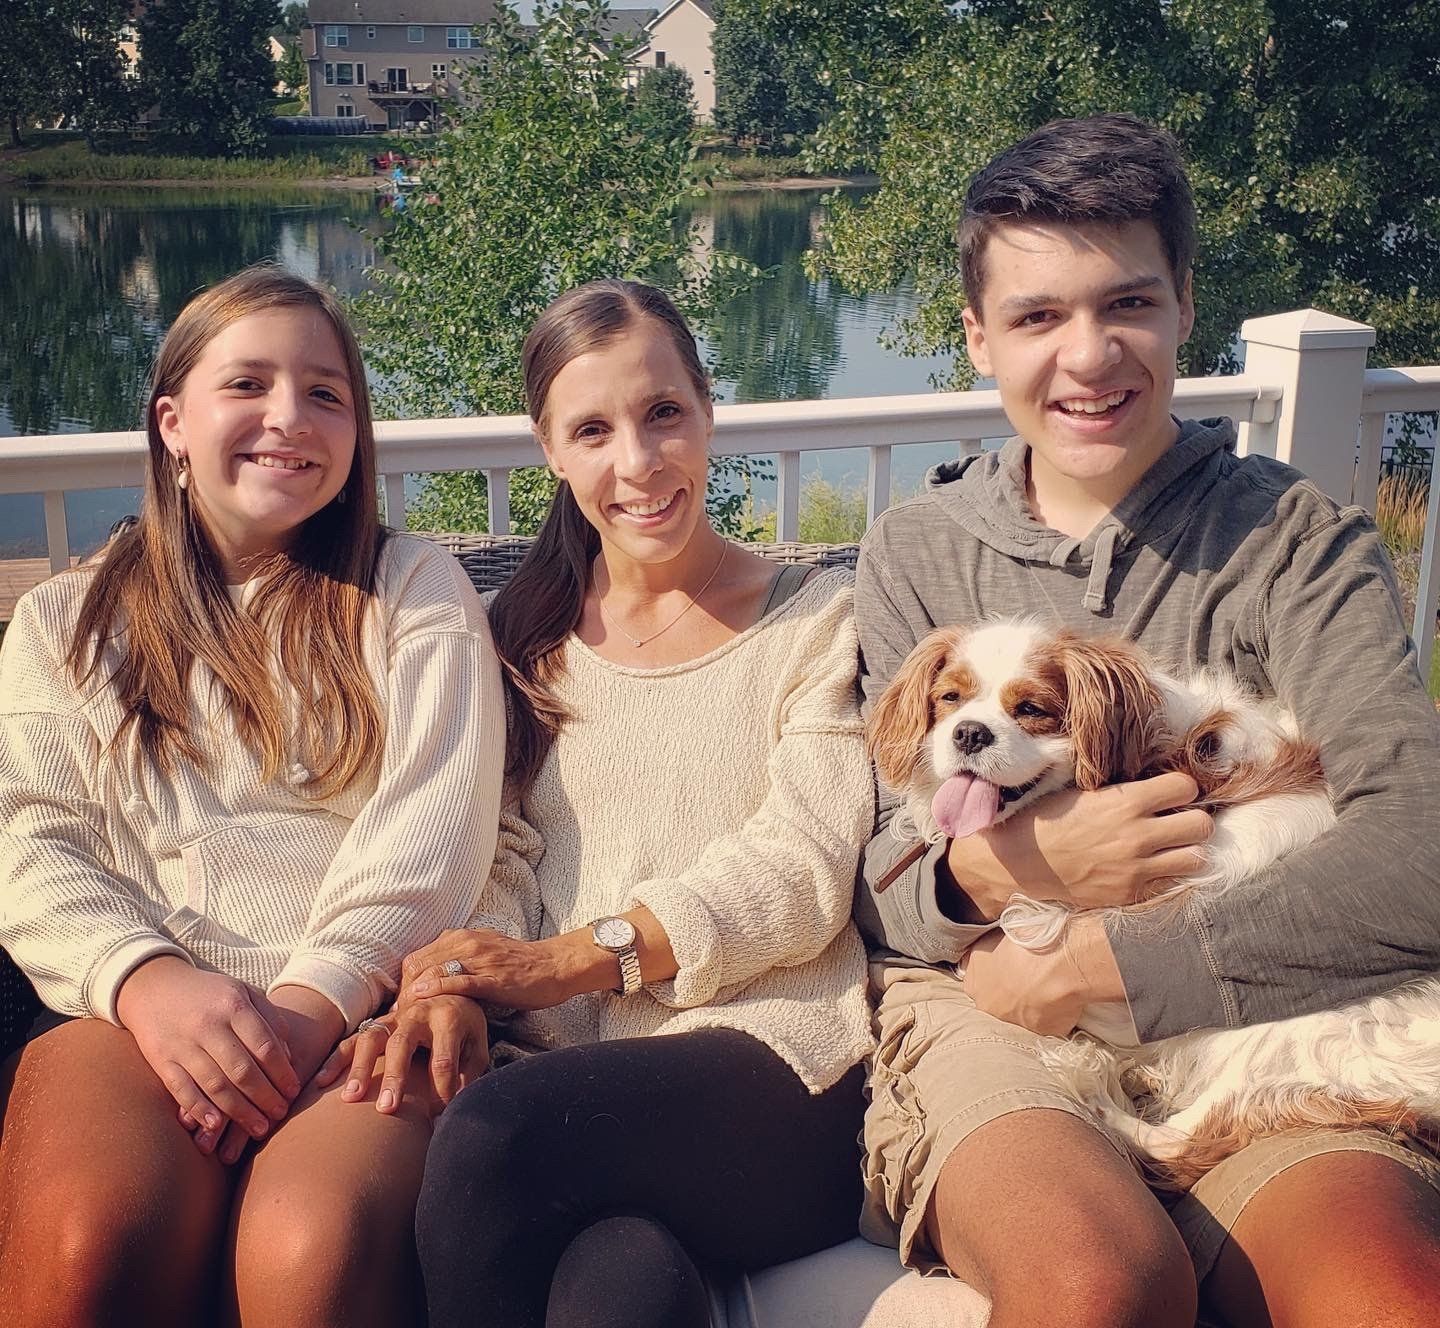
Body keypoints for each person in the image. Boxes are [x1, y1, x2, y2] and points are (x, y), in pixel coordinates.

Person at [853, 114, 1440, 1328]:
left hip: (1282, 1018)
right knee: (1094, 1288)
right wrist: (1003, 869)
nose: (1087, 354)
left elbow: (1420, 845)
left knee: (1385, 1295)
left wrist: (1108, 962)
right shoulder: (917, 551)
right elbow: (872, 876)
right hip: (991, 1008)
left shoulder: (1295, 541)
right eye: (1035, 316)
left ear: (1184, 303)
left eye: (1126, 303)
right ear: (976, 336)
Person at [317, 278, 876, 1328]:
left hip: (779, 1075)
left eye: (663, 412)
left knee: (490, 1134)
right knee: (618, 1288)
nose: (639, 461)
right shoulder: (522, 638)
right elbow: (498, 848)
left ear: (708, 411)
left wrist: (574, 957)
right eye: (594, 429)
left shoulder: (813, 624)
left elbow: (801, 866)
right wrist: (455, 980)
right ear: (552, 451)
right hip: (581, 1085)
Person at [0, 266, 506, 1327]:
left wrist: (304, 1009)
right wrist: (147, 983)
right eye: (250, 383)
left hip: (356, 1010)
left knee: (307, 1250)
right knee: (93, 1235)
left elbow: (435, 830)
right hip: (130, 1011)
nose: (290, 416)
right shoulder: (63, 622)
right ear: (173, 422)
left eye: (327, 393)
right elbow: (30, 836)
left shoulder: (411, 591)